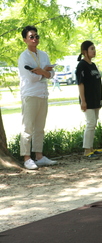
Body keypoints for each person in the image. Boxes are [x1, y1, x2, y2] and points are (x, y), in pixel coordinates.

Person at [17, 25, 57, 170]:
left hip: (43, 94)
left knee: (40, 128)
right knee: (28, 127)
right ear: (25, 40)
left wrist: (42, 72)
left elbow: (52, 74)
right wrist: (44, 73)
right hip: (30, 94)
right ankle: (27, 158)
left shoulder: (44, 55)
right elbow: (30, 78)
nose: (34, 39)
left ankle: (39, 157)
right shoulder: (24, 57)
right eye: (31, 37)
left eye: (36, 36)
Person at [76, 41, 102, 159]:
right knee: (90, 123)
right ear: (84, 51)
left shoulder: (93, 65)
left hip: (96, 99)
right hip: (88, 100)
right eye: (92, 49)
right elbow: (80, 84)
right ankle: (87, 150)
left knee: (94, 124)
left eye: (94, 48)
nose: (94, 51)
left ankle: (91, 148)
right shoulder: (82, 65)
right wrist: (83, 100)